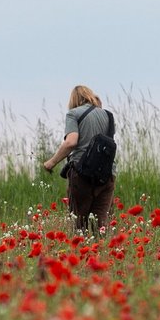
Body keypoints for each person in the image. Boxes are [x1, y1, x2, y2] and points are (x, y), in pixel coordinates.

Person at [42, 85, 116, 232]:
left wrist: (51, 162)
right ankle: (101, 252)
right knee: (100, 225)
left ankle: (80, 253)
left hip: (82, 175)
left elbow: (71, 142)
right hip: (106, 175)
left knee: (79, 224)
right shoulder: (108, 115)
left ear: (74, 100)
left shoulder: (73, 114)